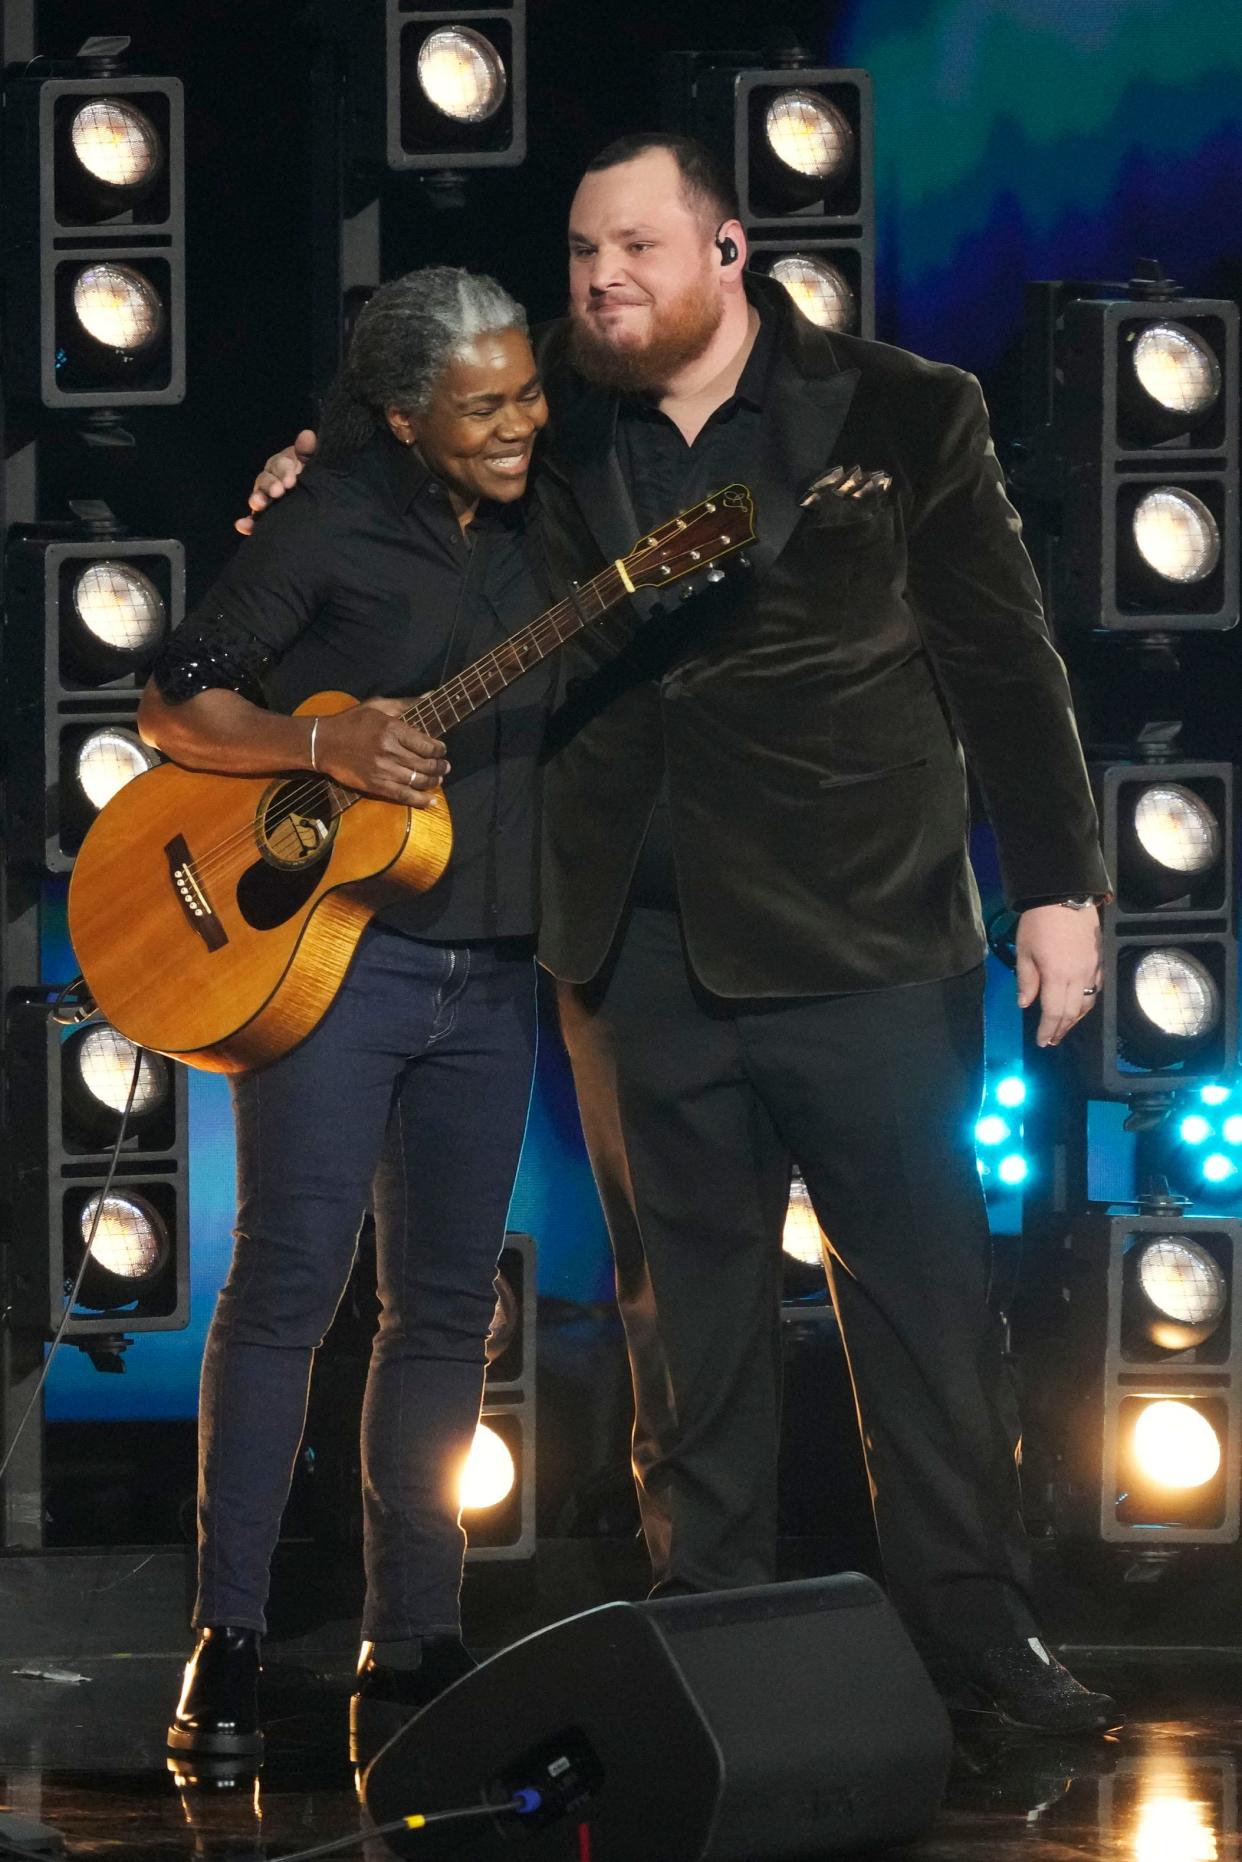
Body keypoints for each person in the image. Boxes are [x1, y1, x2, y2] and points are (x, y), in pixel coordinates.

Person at [246, 136, 1119, 1734]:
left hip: (863, 927)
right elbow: (394, 475)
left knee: (921, 1304)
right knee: (681, 1319)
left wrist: (1059, 889)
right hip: (636, 945)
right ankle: (714, 1640)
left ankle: (978, 1649)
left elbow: (1004, 657)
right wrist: (314, 475)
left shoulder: (904, 407)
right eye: (583, 254)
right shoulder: (545, 425)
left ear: (727, 251)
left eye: (634, 247)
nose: (600, 280)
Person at [143, 266, 553, 1765]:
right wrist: (324, 734)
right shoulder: (323, 519)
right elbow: (177, 698)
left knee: (448, 1304)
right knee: (289, 1287)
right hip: (330, 958)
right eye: (484, 404)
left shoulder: (546, 506)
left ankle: (416, 1631)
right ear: (400, 415)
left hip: (494, 959)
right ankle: (230, 1638)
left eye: (526, 389)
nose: (520, 419)